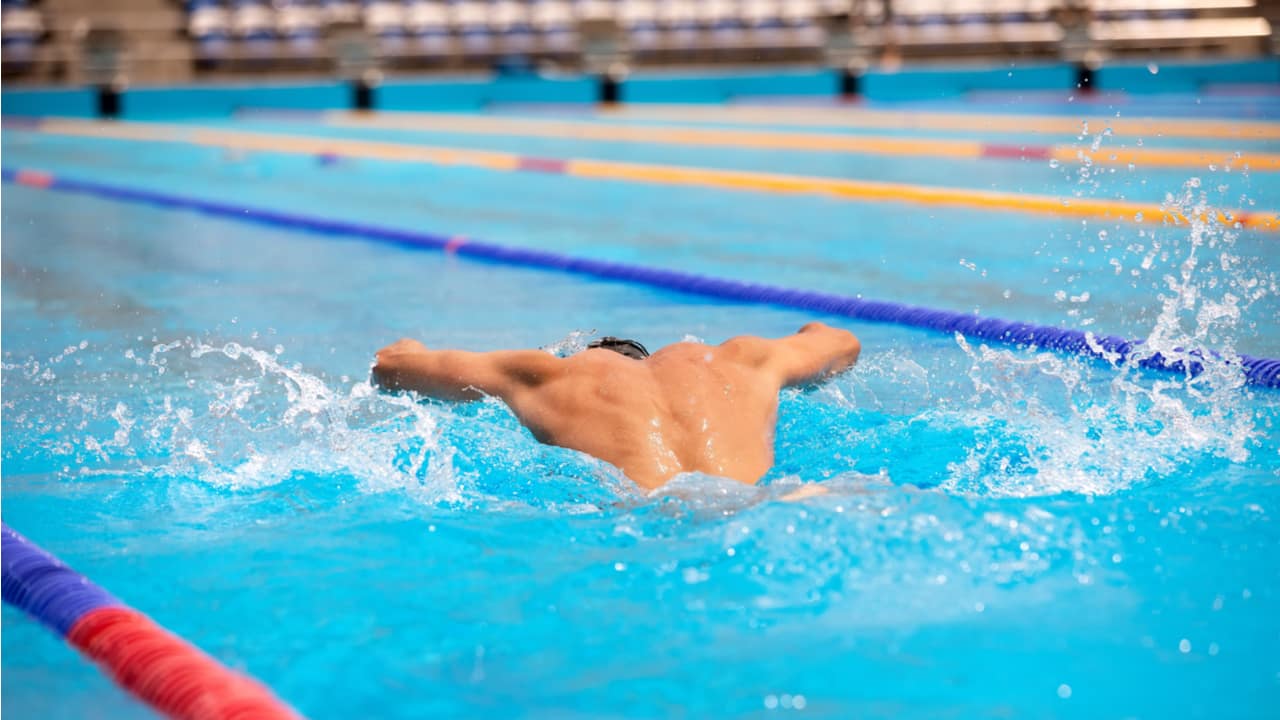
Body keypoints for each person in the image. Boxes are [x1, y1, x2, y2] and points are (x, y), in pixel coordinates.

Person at [371, 322, 861, 489]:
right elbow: (842, 343)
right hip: (761, 502)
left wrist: (407, 345)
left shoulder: (547, 372)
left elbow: (389, 367)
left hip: (639, 523)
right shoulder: (739, 360)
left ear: (589, 354)